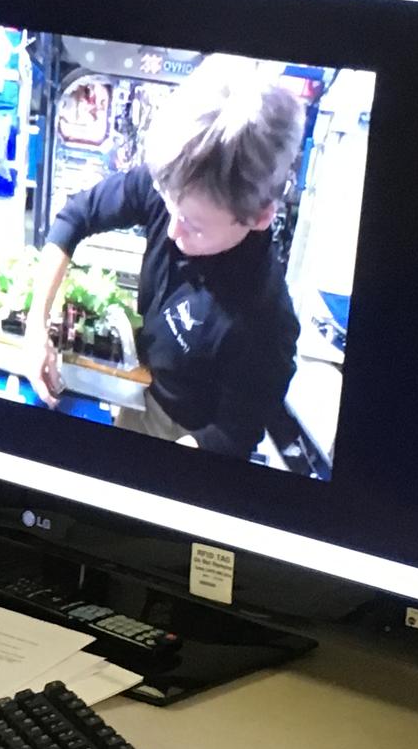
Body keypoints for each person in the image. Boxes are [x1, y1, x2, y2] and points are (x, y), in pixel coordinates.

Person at [26, 55, 304, 458]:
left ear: (260, 217)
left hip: (189, 431)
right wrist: (37, 329)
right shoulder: (179, 184)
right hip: (143, 386)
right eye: (170, 208)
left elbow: (232, 435)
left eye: (194, 225)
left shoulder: (265, 323)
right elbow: (75, 218)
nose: (172, 232)